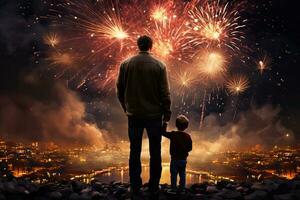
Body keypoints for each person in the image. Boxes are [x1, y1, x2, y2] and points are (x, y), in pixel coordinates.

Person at [116, 35, 171, 197]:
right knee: (155, 151)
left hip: (133, 115)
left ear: (138, 45)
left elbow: (119, 90)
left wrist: (126, 108)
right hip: (154, 115)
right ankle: (154, 186)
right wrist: (166, 115)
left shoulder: (125, 64)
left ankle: (135, 186)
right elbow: (165, 94)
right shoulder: (160, 66)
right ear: (151, 46)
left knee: (134, 151)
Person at [162, 115, 192, 192]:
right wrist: (184, 151)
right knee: (182, 174)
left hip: (174, 159)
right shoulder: (188, 136)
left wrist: (165, 122)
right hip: (183, 160)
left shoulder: (173, 134)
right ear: (186, 126)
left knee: (174, 175)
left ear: (176, 125)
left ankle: (173, 189)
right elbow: (190, 148)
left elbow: (163, 132)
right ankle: (182, 189)